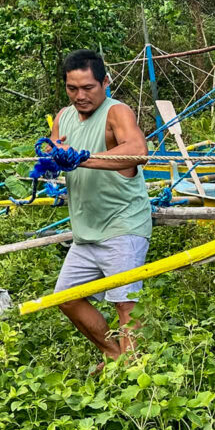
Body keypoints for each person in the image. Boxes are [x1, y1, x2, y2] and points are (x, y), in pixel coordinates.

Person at [50, 49, 151, 372]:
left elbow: (137, 151)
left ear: (105, 82)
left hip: (123, 226)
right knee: (65, 298)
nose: (80, 96)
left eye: (88, 88)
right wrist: (50, 161)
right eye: (72, 88)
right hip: (86, 232)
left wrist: (81, 157)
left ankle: (136, 377)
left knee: (125, 305)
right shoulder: (64, 117)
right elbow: (54, 152)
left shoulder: (116, 112)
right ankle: (115, 355)